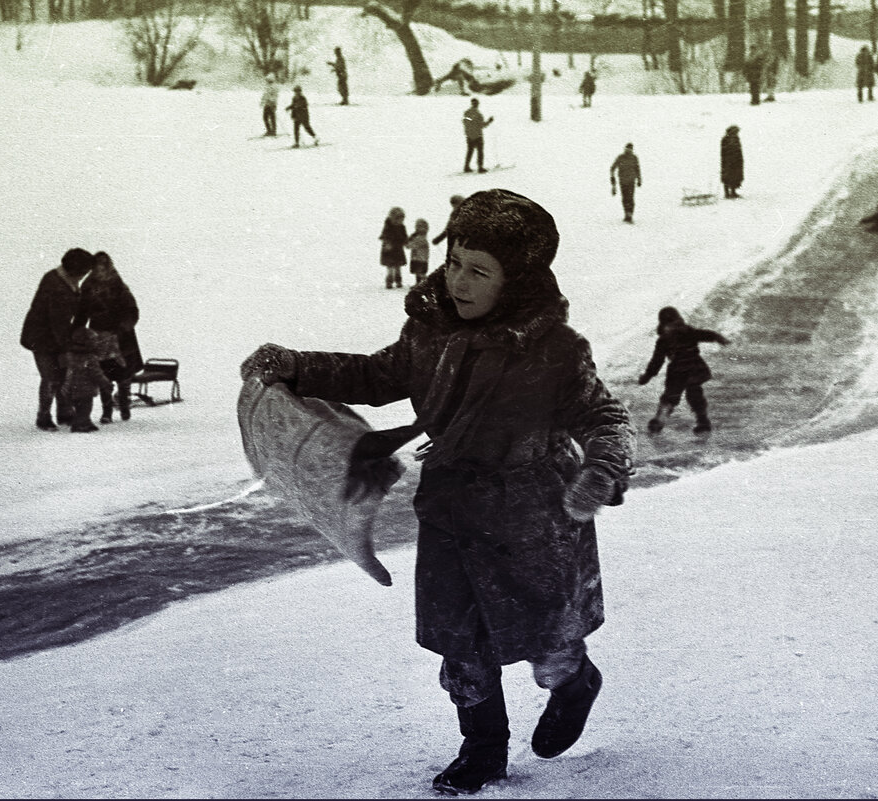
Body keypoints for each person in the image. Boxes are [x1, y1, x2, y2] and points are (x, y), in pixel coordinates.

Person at [240, 189, 634, 796]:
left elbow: (605, 418)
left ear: (517, 281)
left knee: (545, 634)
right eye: (454, 262)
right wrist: (296, 365)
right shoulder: (429, 333)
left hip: (531, 514)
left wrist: (602, 470)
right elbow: (373, 375)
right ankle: (482, 749)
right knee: (460, 639)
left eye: (480, 272)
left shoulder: (554, 350)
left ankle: (573, 680)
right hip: (452, 506)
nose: (459, 281)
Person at [20, 248, 95, 431]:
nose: (84, 276)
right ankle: (43, 417)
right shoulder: (56, 286)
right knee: (51, 377)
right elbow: (58, 321)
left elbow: (71, 315)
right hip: (41, 338)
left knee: (62, 375)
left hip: (56, 335)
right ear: (75, 270)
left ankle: (64, 412)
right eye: (84, 273)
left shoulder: (66, 280)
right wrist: (69, 346)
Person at [637, 306, 730, 434]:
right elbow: (707, 334)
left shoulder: (666, 339)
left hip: (680, 371)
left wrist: (647, 376)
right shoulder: (687, 332)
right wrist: (719, 338)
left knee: (673, 396)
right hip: (693, 368)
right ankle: (701, 421)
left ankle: (661, 421)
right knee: (692, 394)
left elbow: (657, 361)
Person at [76, 252, 143, 423]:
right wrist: (77, 331)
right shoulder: (88, 287)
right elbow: (82, 312)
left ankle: (124, 405)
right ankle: (107, 411)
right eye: (97, 265)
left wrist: (122, 328)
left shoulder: (119, 285)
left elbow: (132, 311)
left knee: (123, 374)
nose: (100, 268)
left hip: (121, 336)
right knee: (103, 372)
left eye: (103, 264)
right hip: (97, 335)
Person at [62, 327, 113, 433]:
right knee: (85, 409)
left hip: (70, 388)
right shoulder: (90, 358)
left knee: (79, 407)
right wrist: (106, 384)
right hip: (85, 390)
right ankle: (79, 425)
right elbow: (97, 374)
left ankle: (86, 422)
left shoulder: (70, 355)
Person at [610, 142, 641, 224]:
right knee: (624, 198)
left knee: (630, 198)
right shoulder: (620, 157)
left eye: (630, 149)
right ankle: (626, 214)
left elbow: (637, 168)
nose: (629, 150)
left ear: (632, 149)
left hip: (631, 181)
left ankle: (629, 214)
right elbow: (612, 168)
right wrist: (613, 180)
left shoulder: (634, 158)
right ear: (625, 148)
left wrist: (639, 179)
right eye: (627, 148)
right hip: (622, 181)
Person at [379, 207, 409, 289]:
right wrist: (387, 243)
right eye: (398, 219)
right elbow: (385, 236)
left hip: (398, 249)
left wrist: (406, 242)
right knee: (390, 266)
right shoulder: (388, 227)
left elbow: (404, 236)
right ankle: (389, 281)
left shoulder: (402, 227)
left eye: (401, 219)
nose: (400, 221)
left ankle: (398, 280)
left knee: (398, 266)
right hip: (390, 250)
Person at [462, 97, 493, 173]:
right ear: (477, 104)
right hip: (478, 136)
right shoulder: (478, 115)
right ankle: (480, 167)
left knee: (470, 151)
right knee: (480, 152)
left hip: (469, 136)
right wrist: (489, 121)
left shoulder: (467, 113)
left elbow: (465, 122)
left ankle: (466, 166)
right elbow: (482, 125)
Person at [720, 125, 743, 199]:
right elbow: (725, 151)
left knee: (735, 176)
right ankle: (727, 193)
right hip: (728, 161)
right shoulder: (726, 139)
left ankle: (733, 192)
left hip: (736, 161)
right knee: (728, 176)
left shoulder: (735, 138)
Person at [407, 218, 430, 286]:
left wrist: (409, 243)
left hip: (421, 259)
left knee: (421, 272)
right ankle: (418, 283)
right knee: (417, 272)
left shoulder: (422, 238)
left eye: (421, 227)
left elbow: (412, 245)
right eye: (418, 226)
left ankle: (426, 283)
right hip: (416, 258)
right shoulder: (417, 236)